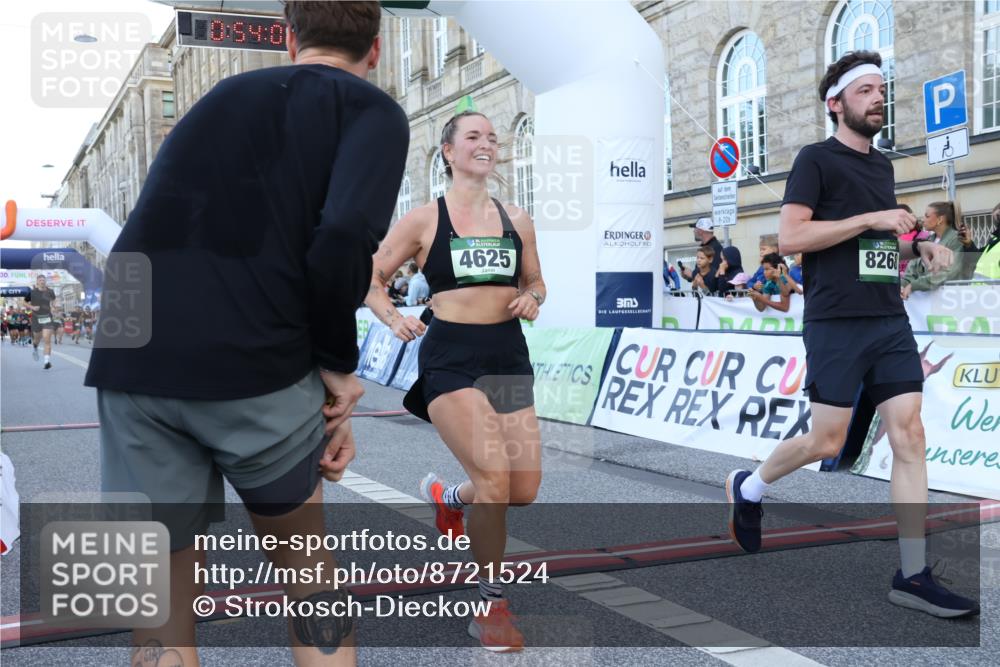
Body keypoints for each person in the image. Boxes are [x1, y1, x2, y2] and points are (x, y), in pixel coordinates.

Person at [83, 3, 409, 664]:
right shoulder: (372, 110)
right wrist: (336, 364)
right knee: (308, 575)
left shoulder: (221, 97)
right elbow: (342, 238)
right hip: (250, 360)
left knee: (162, 603)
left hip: (133, 353)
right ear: (374, 50)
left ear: (289, 40)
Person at [725, 50, 978, 618]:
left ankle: (912, 573)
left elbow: (876, 244)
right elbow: (790, 239)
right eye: (865, 91)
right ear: (835, 104)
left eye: (880, 89)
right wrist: (872, 219)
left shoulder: (881, 166)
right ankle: (750, 487)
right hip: (836, 320)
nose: (877, 97)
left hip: (888, 317)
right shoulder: (815, 159)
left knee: (909, 435)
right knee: (828, 441)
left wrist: (918, 245)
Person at [365, 110, 544, 652]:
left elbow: (536, 280)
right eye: (474, 136)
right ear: (448, 151)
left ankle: (450, 498)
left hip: (507, 355)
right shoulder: (423, 219)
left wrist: (533, 297)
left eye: (493, 137)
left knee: (522, 489)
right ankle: (491, 605)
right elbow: (371, 278)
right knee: (494, 477)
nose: (486, 143)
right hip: (451, 359)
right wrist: (393, 316)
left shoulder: (518, 217)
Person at [900, 201, 964, 299]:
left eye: (927, 216)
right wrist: (902, 286)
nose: (923, 219)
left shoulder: (956, 240)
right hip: (926, 303)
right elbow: (911, 270)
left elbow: (946, 273)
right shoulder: (928, 241)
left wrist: (914, 285)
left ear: (940, 219)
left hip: (949, 300)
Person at [26, 275, 57, 369]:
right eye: (40, 280)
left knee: (47, 339)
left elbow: (54, 300)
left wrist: (53, 306)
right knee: (37, 339)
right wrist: (32, 307)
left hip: (47, 318)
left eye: (44, 280)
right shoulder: (32, 292)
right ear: (37, 282)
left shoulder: (50, 291)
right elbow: (24, 302)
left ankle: (47, 362)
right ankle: (35, 346)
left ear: (45, 281)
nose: (42, 282)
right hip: (36, 318)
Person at [680, 218, 723, 282]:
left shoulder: (715, 248)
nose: (694, 231)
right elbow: (702, 273)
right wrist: (688, 276)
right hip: (704, 291)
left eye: (695, 228)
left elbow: (712, 276)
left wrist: (692, 274)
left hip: (710, 291)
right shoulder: (707, 247)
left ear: (700, 231)